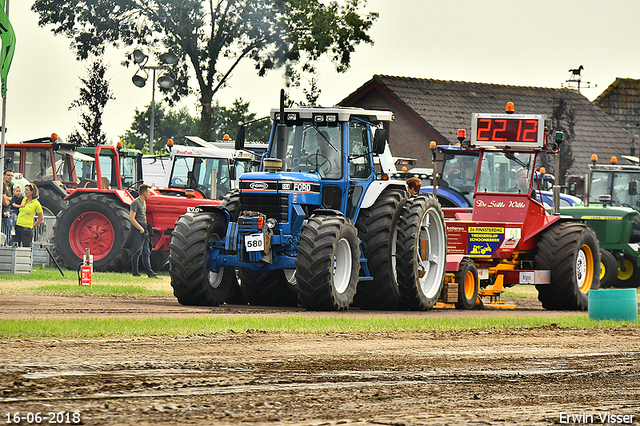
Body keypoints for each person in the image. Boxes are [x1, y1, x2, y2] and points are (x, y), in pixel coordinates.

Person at [128, 183, 157, 278]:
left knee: (146, 251)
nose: (149, 194)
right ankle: (135, 271)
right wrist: (140, 229)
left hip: (144, 228)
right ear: (144, 193)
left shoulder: (143, 202)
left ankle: (150, 272)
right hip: (138, 229)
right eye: (148, 192)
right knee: (137, 251)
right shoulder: (135, 202)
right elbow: (132, 218)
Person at [14, 183, 44, 248]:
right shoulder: (23, 200)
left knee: (26, 247)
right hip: (18, 226)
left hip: (27, 228)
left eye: (27, 190)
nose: (25, 191)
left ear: (32, 192)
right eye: (25, 190)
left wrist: (34, 226)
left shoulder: (36, 203)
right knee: (15, 246)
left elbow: (41, 217)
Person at [2, 169, 13, 245]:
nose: (10, 177)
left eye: (11, 175)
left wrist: (9, 198)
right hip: (4, 212)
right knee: (13, 230)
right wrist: (11, 199)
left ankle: (7, 245)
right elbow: (5, 203)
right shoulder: (2, 186)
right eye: (8, 175)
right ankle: (7, 246)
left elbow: (14, 199)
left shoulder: (10, 187)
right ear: (4, 176)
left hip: (10, 212)